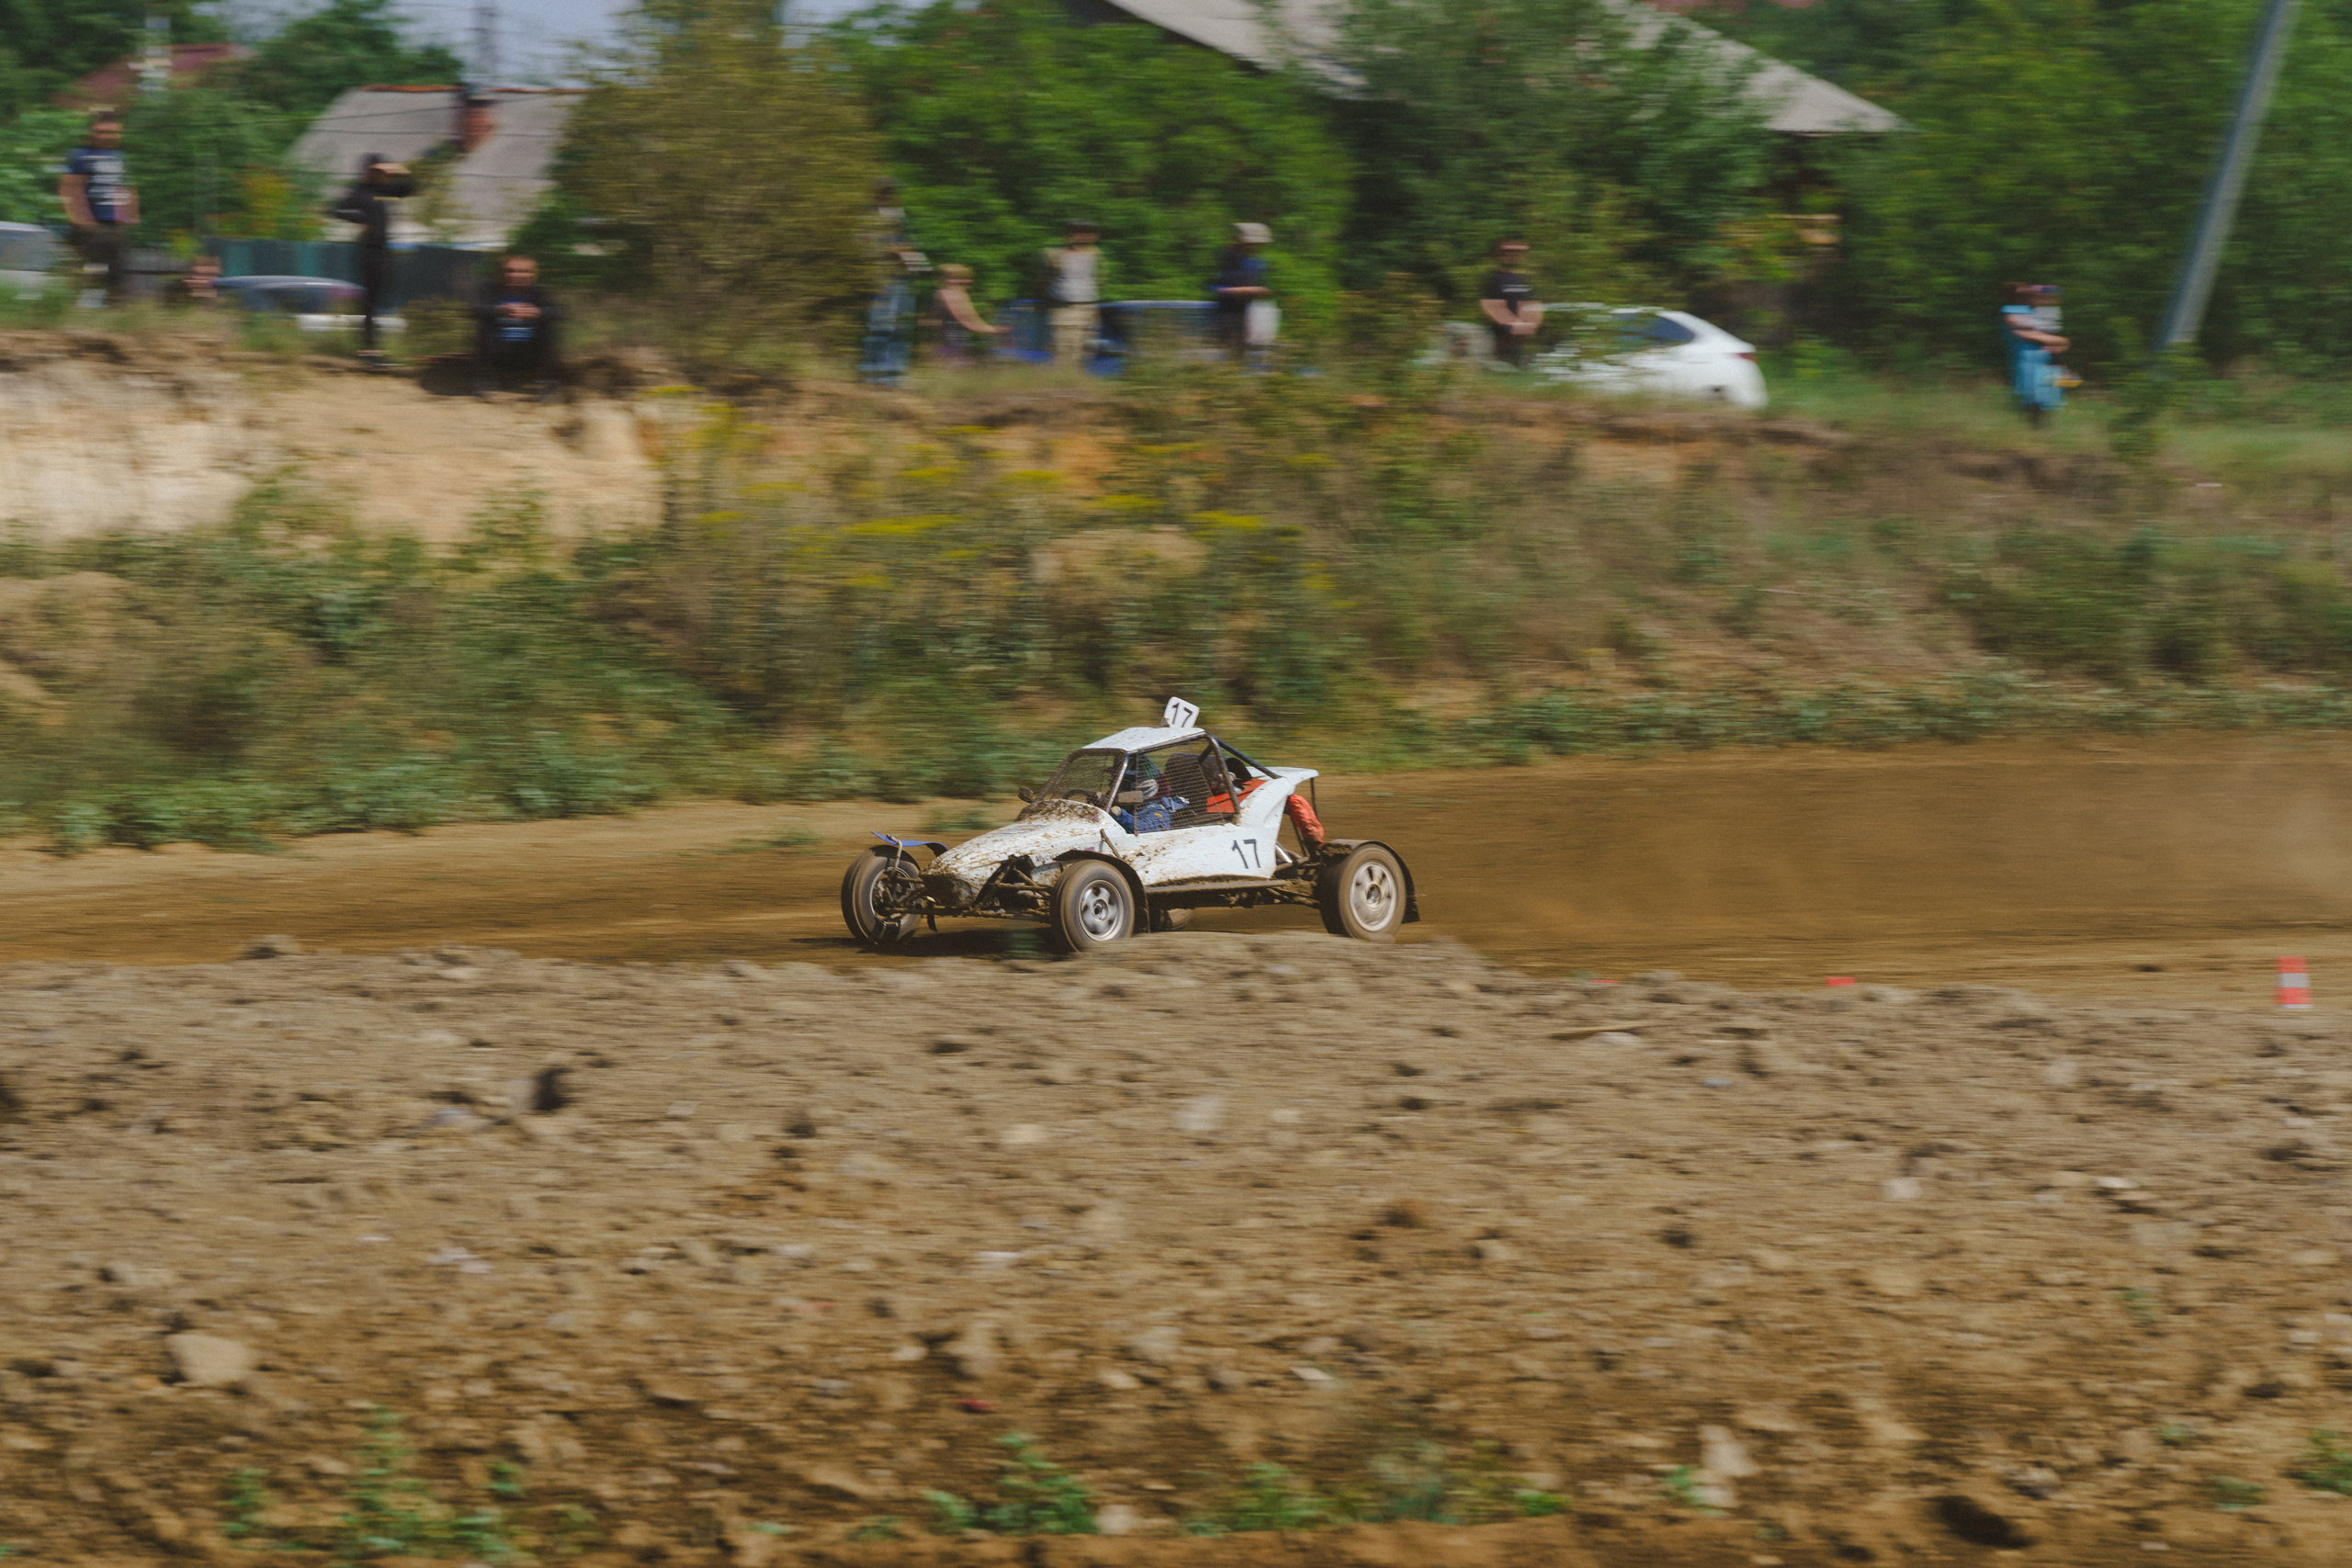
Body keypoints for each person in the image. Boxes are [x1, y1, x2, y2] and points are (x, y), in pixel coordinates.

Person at [329, 153, 415, 365]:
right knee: (371, 302)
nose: (379, 175)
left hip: (386, 250)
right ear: (367, 171)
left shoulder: (386, 193)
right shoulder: (360, 191)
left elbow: (410, 188)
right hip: (369, 250)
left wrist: (398, 169)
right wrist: (362, 220)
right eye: (375, 171)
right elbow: (335, 210)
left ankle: (372, 347)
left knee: (379, 300)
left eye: (381, 171)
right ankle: (369, 349)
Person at [59, 111, 137, 306]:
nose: (106, 136)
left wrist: (129, 215)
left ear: (120, 133)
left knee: (117, 275)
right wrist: (80, 220)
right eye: (101, 132)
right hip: (88, 226)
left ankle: (116, 317)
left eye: (112, 132)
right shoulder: (81, 156)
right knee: (82, 273)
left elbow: (124, 187)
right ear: (92, 132)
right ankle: (68, 311)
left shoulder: (120, 157)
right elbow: (69, 187)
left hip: (113, 226)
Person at [860, 180, 929, 384]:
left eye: (891, 192)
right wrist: (892, 250)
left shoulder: (899, 215)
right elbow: (864, 247)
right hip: (881, 280)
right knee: (881, 328)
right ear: (876, 193)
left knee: (901, 329)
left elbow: (907, 242)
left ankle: (894, 377)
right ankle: (874, 376)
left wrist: (911, 254)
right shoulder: (869, 217)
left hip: (902, 279)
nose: (888, 196)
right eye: (884, 192)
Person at [472, 254, 562, 397]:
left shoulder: (537, 293)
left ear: (532, 274)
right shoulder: (489, 289)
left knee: (547, 323)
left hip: (530, 353)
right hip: (497, 353)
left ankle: (548, 382)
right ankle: (484, 380)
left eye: (523, 271)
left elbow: (559, 312)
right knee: (485, 323)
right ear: (501, 273)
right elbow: (474, 309)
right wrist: (499, 311)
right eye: (510, 270)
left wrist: (538, 312)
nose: (516, 275)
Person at [2001, 282, 2070, 427]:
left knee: (2046, 399)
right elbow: (2026, 332)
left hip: (2043, 360)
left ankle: (2041, 432)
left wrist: (2056, 347)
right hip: (2026, 360)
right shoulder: (2009, 310)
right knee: (2032, 398)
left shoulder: (2034, 312)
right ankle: (2030, 430)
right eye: (2026, 294)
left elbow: (2044, 331)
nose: (2032, 296)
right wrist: (2060, 340)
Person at [1209, 222, 1275, 366]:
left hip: (1246, 314)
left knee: (1240, 355)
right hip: (1225, 313)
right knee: (1225, 353)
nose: (1255, 247)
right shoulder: (1224, 258)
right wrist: (1240, 290)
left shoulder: (1256, 263)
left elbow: (1263, 286)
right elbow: (1214, 286)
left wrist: (1261, 291)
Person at [1039, 221, 1103, 367]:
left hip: (1088, 309)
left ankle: (1074, 381)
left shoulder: (1096, 254)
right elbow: (1042, 281)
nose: (1081, 236)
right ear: (1068, 234)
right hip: (1064, 310)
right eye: (1076, 232)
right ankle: (1061, 382)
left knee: (1085, 351)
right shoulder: (1052, 254)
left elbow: (1099, 279)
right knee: (1064, 349)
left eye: (1085, 232)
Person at [1479, 239, 1544, 367]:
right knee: (1501, 367)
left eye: (1518, 253)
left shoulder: (1527, 279)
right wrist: (1512, 325)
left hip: (1523, 335)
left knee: (1520, 368)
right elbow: (1492, 305)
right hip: (1500, 335)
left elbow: (1533, 304)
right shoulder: (1495, 279)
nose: (1514, 256)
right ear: (1502, 255)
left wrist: (1532, 324)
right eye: (1509, 252)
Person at [927, 265, 1005, 366]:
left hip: (956, 340)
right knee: (957, 366)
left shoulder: (959, 295)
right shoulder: (948, 295)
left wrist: (987, 328)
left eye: (966, 278)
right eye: (960, 278)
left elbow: (971, 317)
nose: (967, 281)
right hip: (951, 341)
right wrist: (989, 329)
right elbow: (965, 319)